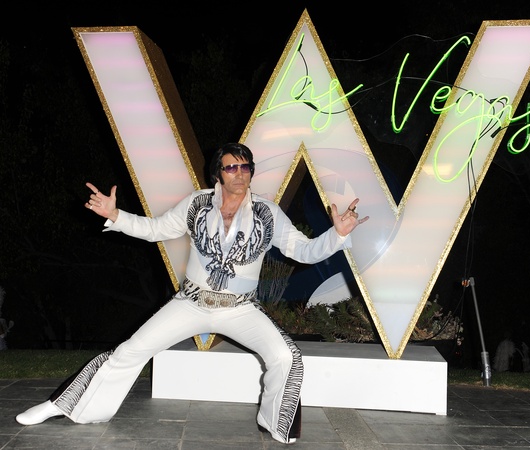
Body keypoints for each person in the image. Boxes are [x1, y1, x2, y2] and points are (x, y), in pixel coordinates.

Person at [16, 142, 369, 445]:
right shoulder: (196, 204)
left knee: (285, 357)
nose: (240, 173)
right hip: (191, 303)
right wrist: (116, 215)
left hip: (240, 308)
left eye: (246, 166)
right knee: (129, 351)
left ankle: (274, 421)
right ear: (218, 173)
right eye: (231, 167)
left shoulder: (268, 213)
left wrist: (336, 235)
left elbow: (303, 251)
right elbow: (154, 229)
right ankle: (65, 406)